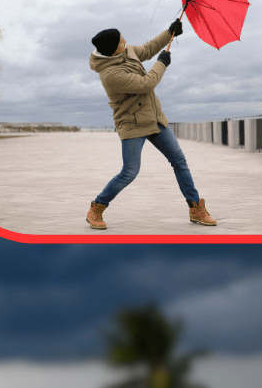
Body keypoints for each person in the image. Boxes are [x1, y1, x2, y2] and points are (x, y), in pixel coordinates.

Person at [85, 20, 216, 230]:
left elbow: (147, 49)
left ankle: (195, 208)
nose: (125, 42)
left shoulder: (126, 51)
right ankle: (97, 207)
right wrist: (162, 62)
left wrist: (170, 32)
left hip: (154, 118)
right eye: (121, 41)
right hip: (133, 124)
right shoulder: (110, 75)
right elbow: (147, 84)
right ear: (112, 51)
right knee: (130, 172)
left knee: (179, 160)